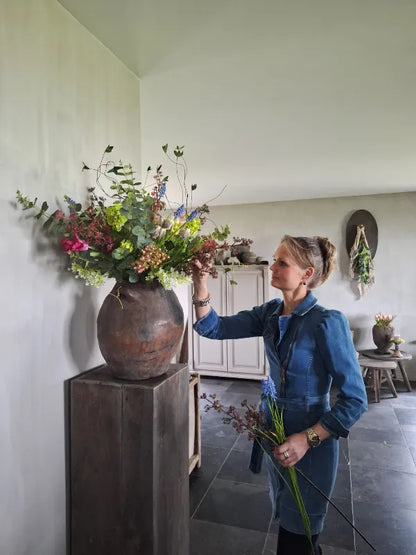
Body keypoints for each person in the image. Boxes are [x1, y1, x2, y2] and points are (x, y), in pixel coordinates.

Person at [192, 235, 367, 555]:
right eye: (274, 259)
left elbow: (356, 399)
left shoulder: (328, 323)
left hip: (312, 438)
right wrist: (200, 283)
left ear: (307, 274)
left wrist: (307, 438)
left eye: (282, 262)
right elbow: (213, 328)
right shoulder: (270, 313)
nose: (271, 266)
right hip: (275, 431)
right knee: (290, 526)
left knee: (299, 533)